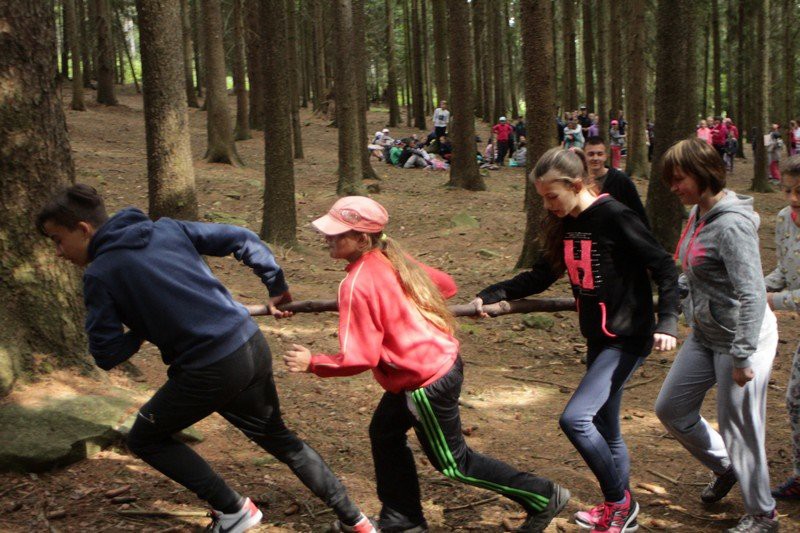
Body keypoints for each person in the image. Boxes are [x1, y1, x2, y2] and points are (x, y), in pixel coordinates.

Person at [35, 185, 376, 533]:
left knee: (145, 439)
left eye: (58, 240)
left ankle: (234, 509)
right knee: (280, 439)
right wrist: (276, 285)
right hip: (250, 343)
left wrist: (141, 324)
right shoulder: (166, 229)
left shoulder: (100, 274)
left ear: (83, 229)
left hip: (209, 369)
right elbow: (242, 238)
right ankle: (357, 521)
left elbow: (107, 354)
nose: (59, 252)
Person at [283, 196, 571, 533]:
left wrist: (313, 363)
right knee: (385, 433)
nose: (327, 237)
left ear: (361, 239)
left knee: (454, 463)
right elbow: (446, 286)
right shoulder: (391, 257)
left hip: (424, 380)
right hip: (431, 364)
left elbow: (360, 357)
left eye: (337, 233)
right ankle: (403, 521)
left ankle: (542, 496)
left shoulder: (357, 283)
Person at [473, 148, 679, 533]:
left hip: (628, 337)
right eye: (542, 198)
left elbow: (666, 267)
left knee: (576, 419)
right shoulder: (566, 223)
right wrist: (492, 294)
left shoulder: (616, 216)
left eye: (552, 196)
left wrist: (667, 321)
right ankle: (621, 511)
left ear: (576, 185)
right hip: (598, 337)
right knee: (605, 427)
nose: (547, 205)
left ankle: (620, 503)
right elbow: (540, 275)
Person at [654, 138, 779, 533]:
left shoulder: (732, 225)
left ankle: (763, 514)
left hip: (743, 338)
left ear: (704, 174)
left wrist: (743, 356)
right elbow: (692, 271)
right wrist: (671, 305)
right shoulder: (698, 212)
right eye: (670, 179)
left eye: (679, 179)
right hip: (706, 333)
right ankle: (726, 466)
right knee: (671, 408)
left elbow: (752, 292)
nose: (673, 187)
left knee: (740, 427)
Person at [767, 156, 800, 500]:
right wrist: (753, 287)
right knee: (796, 399)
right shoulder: (782, 220)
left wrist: (772, 301)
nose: (792, 198)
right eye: (787, 190)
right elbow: (784, 272)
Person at [584, 136, 648, 226]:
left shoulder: (621, 180)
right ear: (584, 156)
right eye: (591, 154)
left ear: (606, 156)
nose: (595, 158)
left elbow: (638, 211)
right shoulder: (579, 181)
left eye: (599, 154)